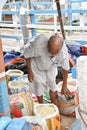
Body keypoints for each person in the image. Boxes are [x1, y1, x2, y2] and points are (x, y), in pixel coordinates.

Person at [23, 34, 71, 105]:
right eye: (51, 50)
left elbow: (65, 68)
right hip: (37, 65)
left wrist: (64, 85)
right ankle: (41, 105)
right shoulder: (38, 46)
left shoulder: (63, 52)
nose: (53, 53)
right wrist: (30, 72)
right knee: (39, 87)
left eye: (56, 52)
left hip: (51, 66)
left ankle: (53, 104)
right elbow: (27, 55)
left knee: (52, 84)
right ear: (47, 44)